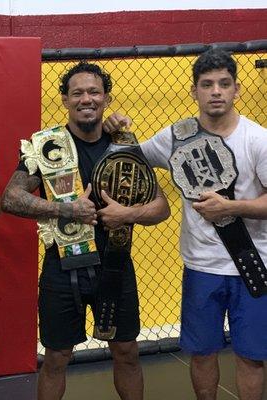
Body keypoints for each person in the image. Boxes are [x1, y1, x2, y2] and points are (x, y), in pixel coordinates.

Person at [1, 62, 170, 400]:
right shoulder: (47, 146)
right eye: (77, 93)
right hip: (63, 267)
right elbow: (10, 197)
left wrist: (128, 213)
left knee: (126, 351)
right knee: (57, 358)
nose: (86, 99)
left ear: (106, 98)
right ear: (65, 100)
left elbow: (161, 208)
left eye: (94, 92)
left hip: (116, 264)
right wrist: (65, 209)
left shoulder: (124, 144)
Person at [107, 49, 267, 400]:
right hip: (201, 266)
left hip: (252, 265)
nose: (216, 91)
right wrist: (113, 130)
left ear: (236, 89)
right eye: (207, 84)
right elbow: (131, 155)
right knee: (203, 352)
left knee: (252, 358)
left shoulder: (258, 139)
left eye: (224, 84)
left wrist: (232, 206)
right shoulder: (176, 136)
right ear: (194, 90)